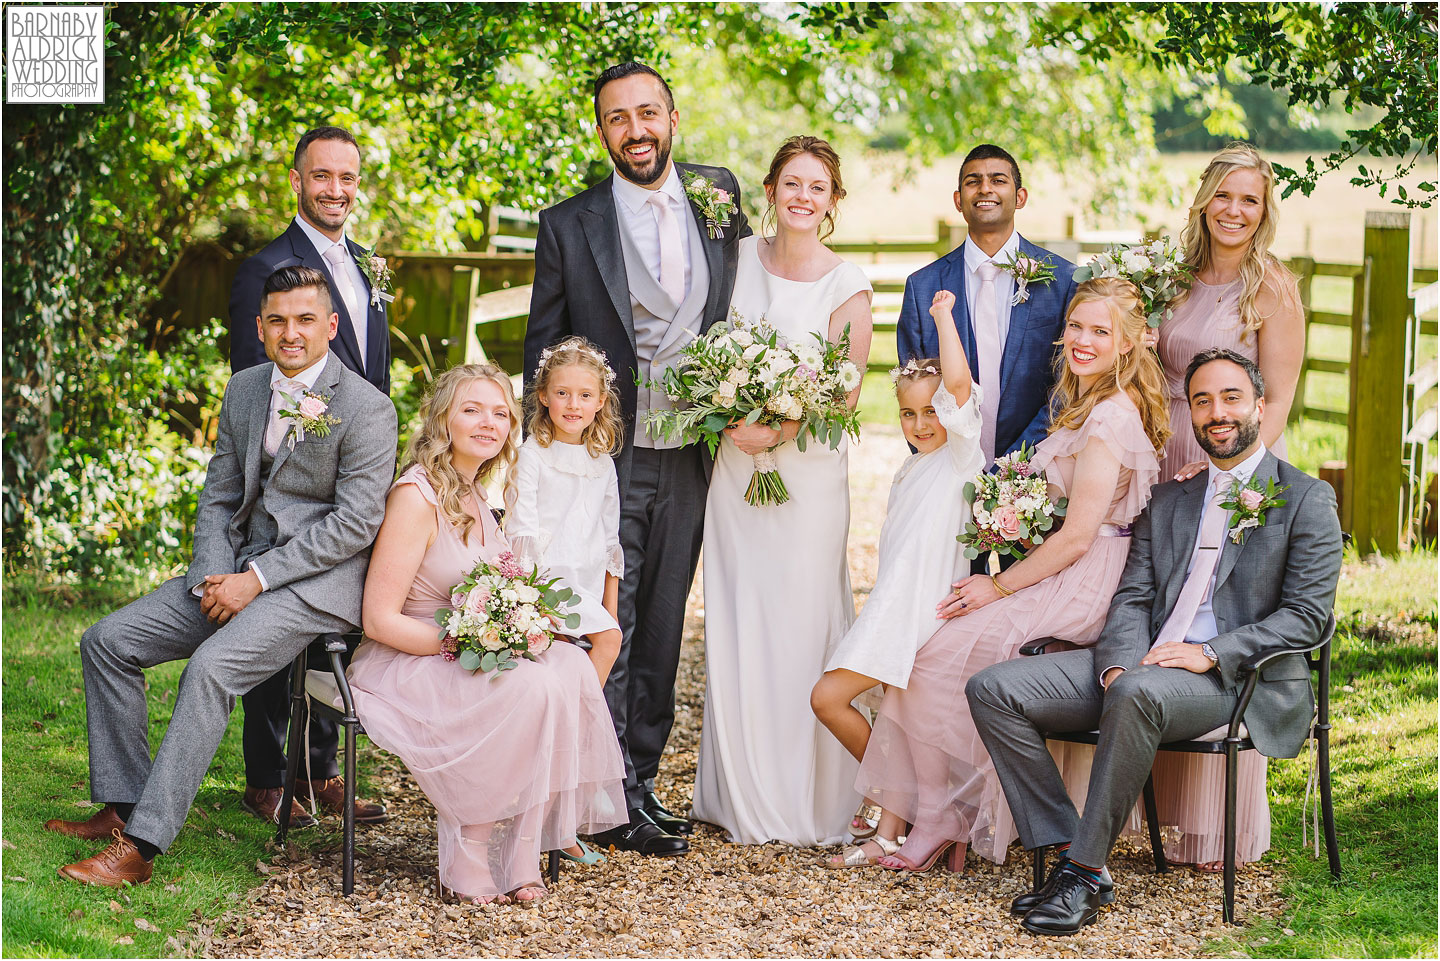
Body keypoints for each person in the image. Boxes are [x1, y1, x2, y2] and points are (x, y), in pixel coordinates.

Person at [968, 348, 1342, 936]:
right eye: (1202, 401)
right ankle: (1072, 849)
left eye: (1230, 397)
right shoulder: (1170, 497)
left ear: (1261, 406)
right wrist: (1117, 663)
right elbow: (1134, 595)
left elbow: (1307, 617)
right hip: (1140, 669)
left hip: (1231, 680)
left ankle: (1085, 870)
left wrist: (1212, 652)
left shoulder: (1305, 498)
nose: (1216, 412)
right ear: (1191, 413)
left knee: (1139, 694)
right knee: (993, 689)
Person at [46, 266, 397, 886]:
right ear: (261, 328)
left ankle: (143, 847)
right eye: (279, 321)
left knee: (210, 671)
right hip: (232, 569)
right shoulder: (244, 388)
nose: (292, 333)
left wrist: (255, 579)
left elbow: (353, 526)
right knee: (107, 642)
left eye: (306, 320)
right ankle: (124, 803)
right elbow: (219, 493)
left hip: (316, 585)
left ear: (331, 326)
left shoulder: (368, 409)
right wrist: (214, 574)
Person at [855, 276, 1170, 873]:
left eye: (1101, 331)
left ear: (1128, 343)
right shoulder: (1086, 403)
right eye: (1076, 326)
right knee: (921, 659)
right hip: (1064, 565)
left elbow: (1079, 536)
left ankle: (943, 816)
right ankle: (937, 815)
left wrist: (994, 586)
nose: (1082, 339)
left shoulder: (1109, 418)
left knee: (925, 661)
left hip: (1085, 580)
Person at [526, 61, 751, 856]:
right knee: (604, 617)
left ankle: (643, 777)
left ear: (673, 116)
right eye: (618, 118)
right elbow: (543, 352)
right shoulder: (568, 223)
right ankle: (609, 790)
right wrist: (542, 463)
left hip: (691, 450)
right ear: (602, 132)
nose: (636, 130)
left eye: (647, 112)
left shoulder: (719, 197)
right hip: (603, 460)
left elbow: (742, 309)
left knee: (660, 618)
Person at [347, 363, 626, 905]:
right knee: (531, 686)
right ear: (443, 417)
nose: (488, 423)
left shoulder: (479, 497)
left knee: (568, 668)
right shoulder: (417, 496)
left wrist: (523, 625)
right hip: (412, 658)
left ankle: (522, 848)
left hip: (470, 648)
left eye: (500, 413)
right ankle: (471, 850)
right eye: (471, 409)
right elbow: (379, 619)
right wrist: (470, 642)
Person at [691, 135, 873, 846]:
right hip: (736, 466)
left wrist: (782, 426)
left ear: (832, 201)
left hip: (806, 476)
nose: (802, 196)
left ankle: (812, 797)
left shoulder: (846, 281)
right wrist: (730, 411)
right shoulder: (734, 261)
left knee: (799, 619)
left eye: (817, 187)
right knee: (739, 614)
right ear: (769, 190)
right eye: (791, 183)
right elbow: (705, 348)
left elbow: (847, 392)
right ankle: (738, 793)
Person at [227, 125, 393, 829]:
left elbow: (371, 377)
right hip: (289, 481)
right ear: (296, 180)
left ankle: (321, 767)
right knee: (269, 621)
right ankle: (267, 775)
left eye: (348, 178)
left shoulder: (368, 265)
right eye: (321, 176)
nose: (336, 190)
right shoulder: (263, 267)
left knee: (341, 621)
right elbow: (260, 384)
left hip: (355, 478)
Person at [1148, 143, 1307, 869]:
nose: (1235, 211)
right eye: (1225, 196)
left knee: (1212, 612)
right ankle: (1146, 809)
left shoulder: (1270, 286)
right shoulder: (1172, 279)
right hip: (1162, 461)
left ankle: (1216, 827)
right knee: (1159, 606)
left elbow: (1275, 400)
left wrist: (1233, 474)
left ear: (1263, 210)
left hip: (1226, 464)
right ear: (1205, 199)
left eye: (1250, 200)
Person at [811, 288, 983, 866]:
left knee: (828, 697)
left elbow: (958, 385)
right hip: (894, 612)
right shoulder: (910, 470)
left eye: (930, 411)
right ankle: (895, 822)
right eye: (908, 413)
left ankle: (901, 811)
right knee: (884, 716)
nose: (920, 423)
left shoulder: (963, 456)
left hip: (923, 618)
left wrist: (941, 317)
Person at [895, 144, 1078, 466]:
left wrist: (1018, 462)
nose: (985, 189)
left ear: (1020, 197)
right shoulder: (922, 287)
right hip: (948, 462)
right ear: (958, 200)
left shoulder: (1062, 281)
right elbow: (913, 390)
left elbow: (1068, 384)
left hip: (1039, 464)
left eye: (998, 180)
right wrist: (944, 459)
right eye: (973, 181)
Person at [505, 336, 626, 686]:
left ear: (600, 402)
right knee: (552, 669)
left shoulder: (602, 463)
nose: (573, 405)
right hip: (543, 586)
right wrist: (528, 603)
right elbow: (521, 534)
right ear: (543, 396)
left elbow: (609, 545)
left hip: (586, 589)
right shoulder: (532, 455)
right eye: (562, 393)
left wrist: (611, 614)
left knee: (609, 640)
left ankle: (576, 720)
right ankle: (570, 723)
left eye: (585, 396)